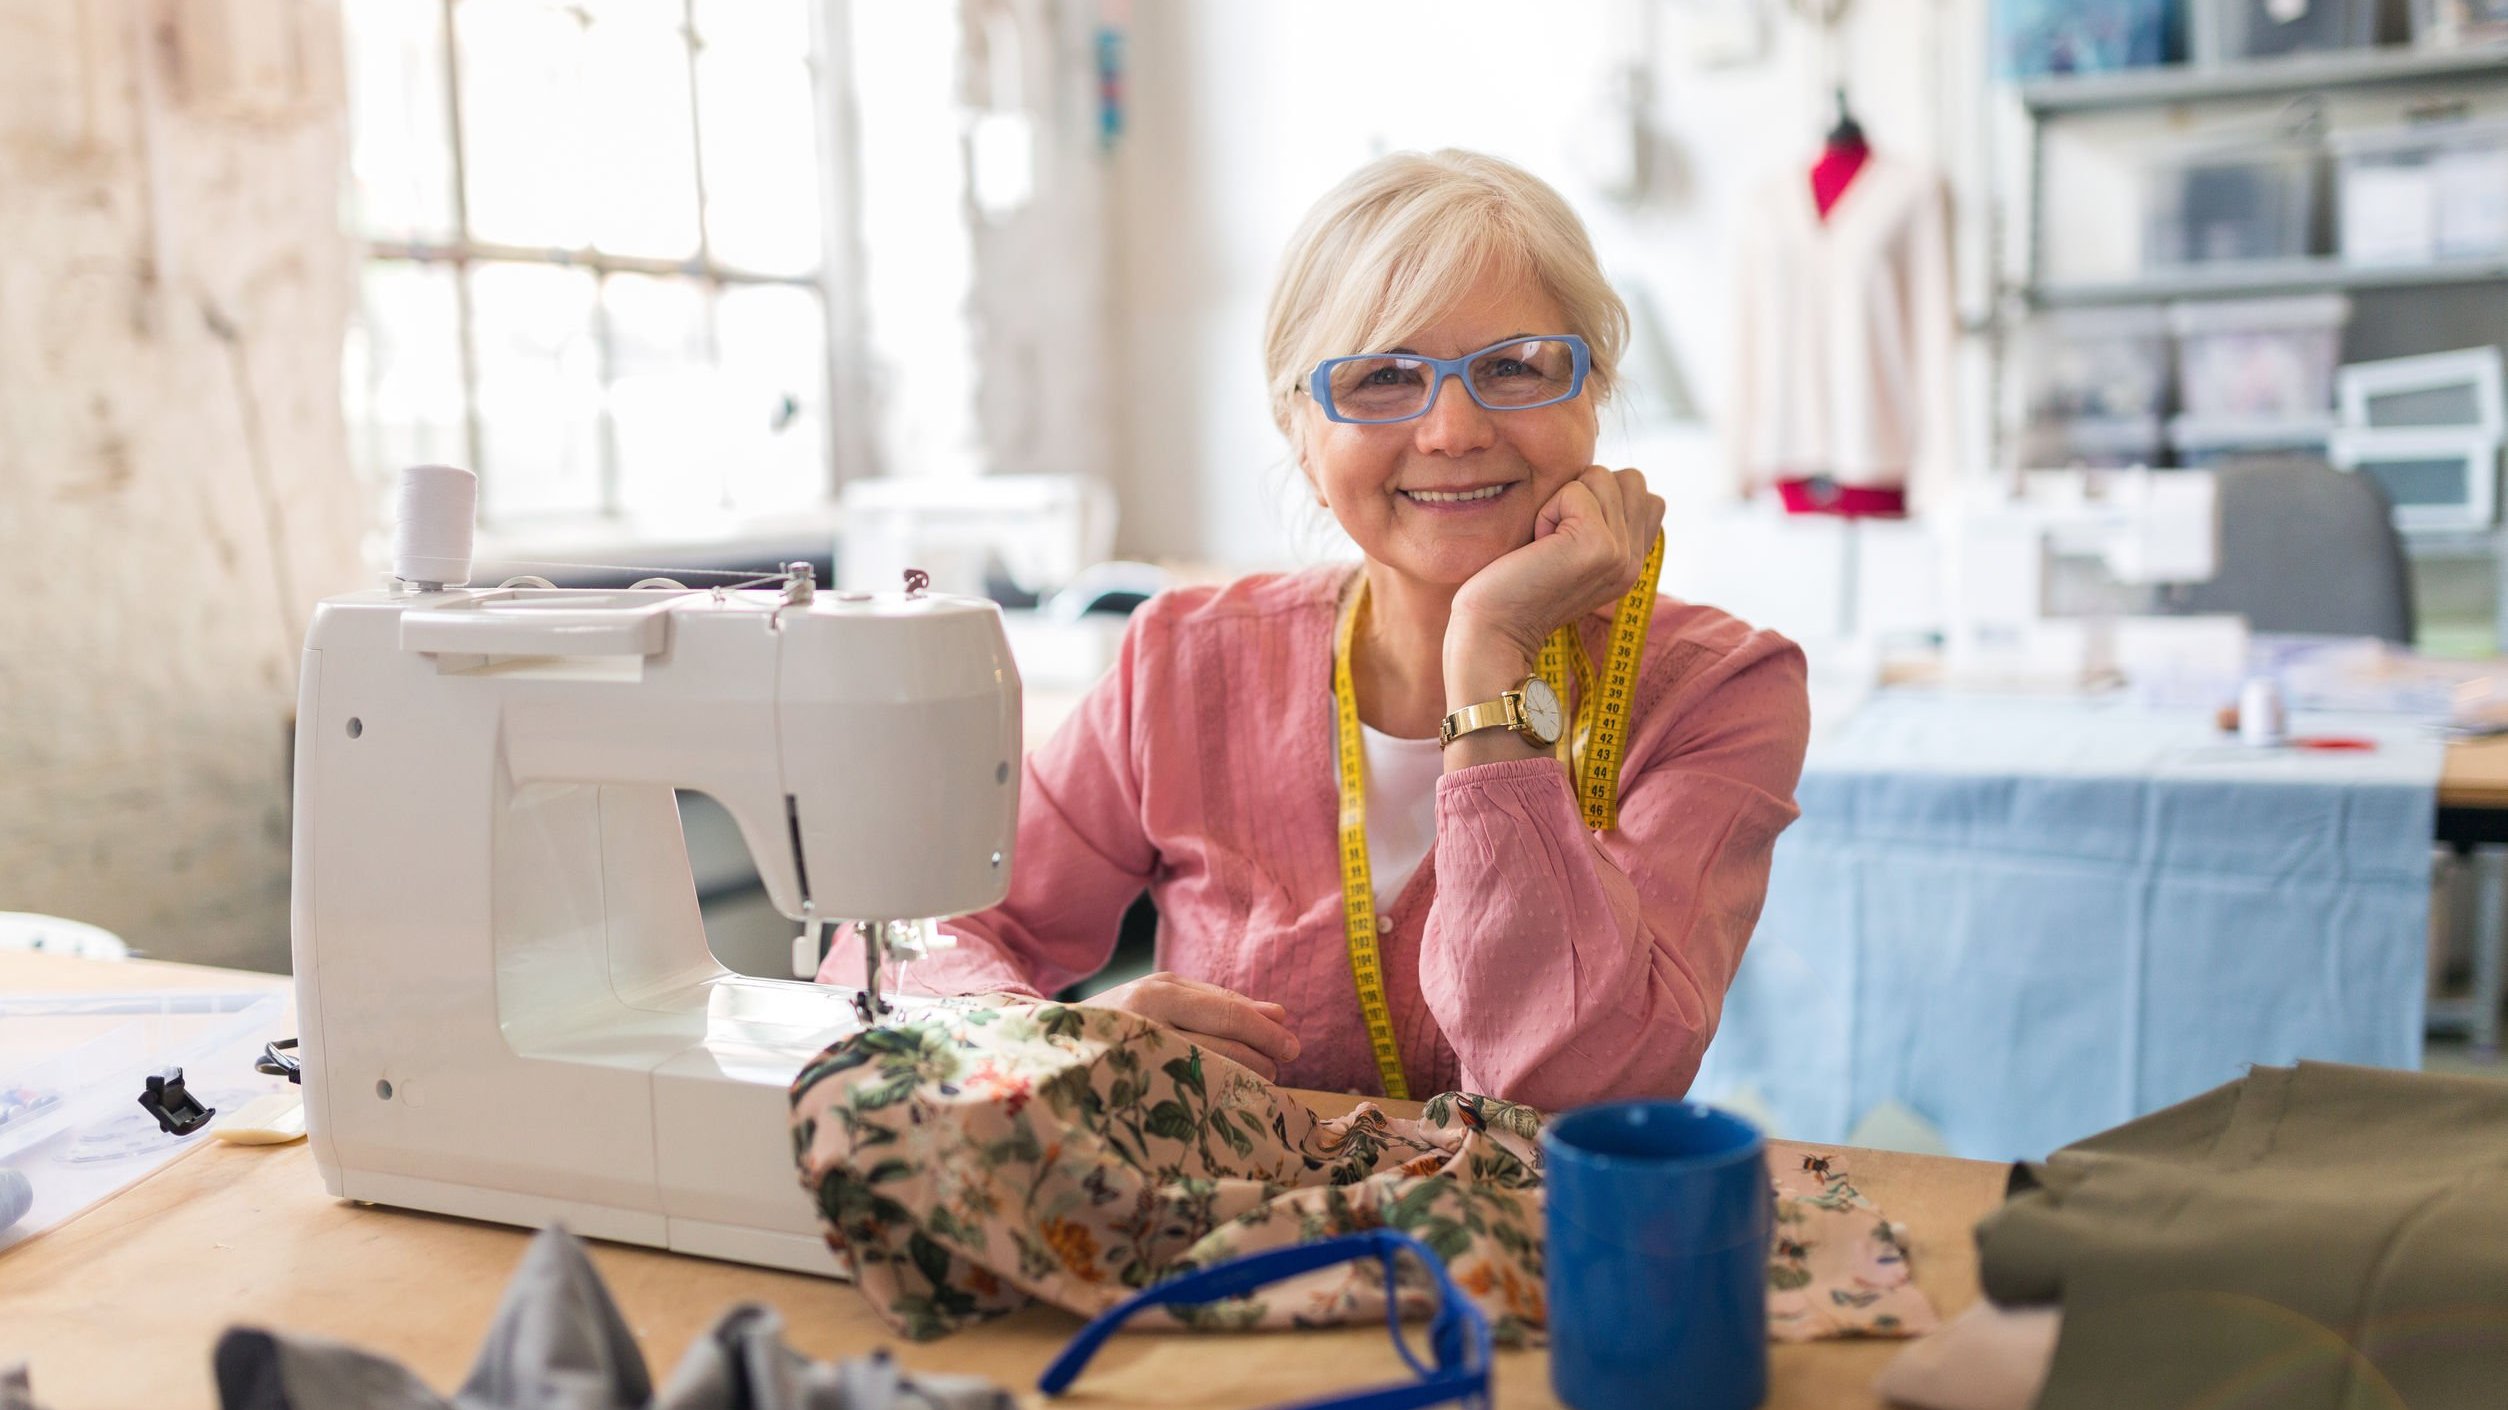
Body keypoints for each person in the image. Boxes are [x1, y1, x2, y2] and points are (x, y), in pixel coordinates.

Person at [822, 149, 1808, 1110]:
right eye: (1382, 378)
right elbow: (900, 944)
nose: (1454, 430)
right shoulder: (1184, 662)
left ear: (1592, 396)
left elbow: (1576, 1087)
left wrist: (1490, 657)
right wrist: (1063, 1040)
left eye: (1514, 366)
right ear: (1300, 434)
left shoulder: (1719, 692)